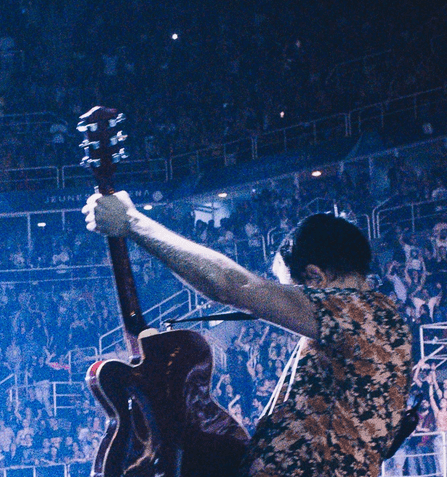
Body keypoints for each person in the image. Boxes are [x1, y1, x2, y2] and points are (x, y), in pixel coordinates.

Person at [83, 193, 413, 476]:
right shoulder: (375, 326)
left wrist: (132, 222)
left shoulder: (361, 313)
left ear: (315, 278)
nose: (292, 306)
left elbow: (234, 286)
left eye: (292, 291)